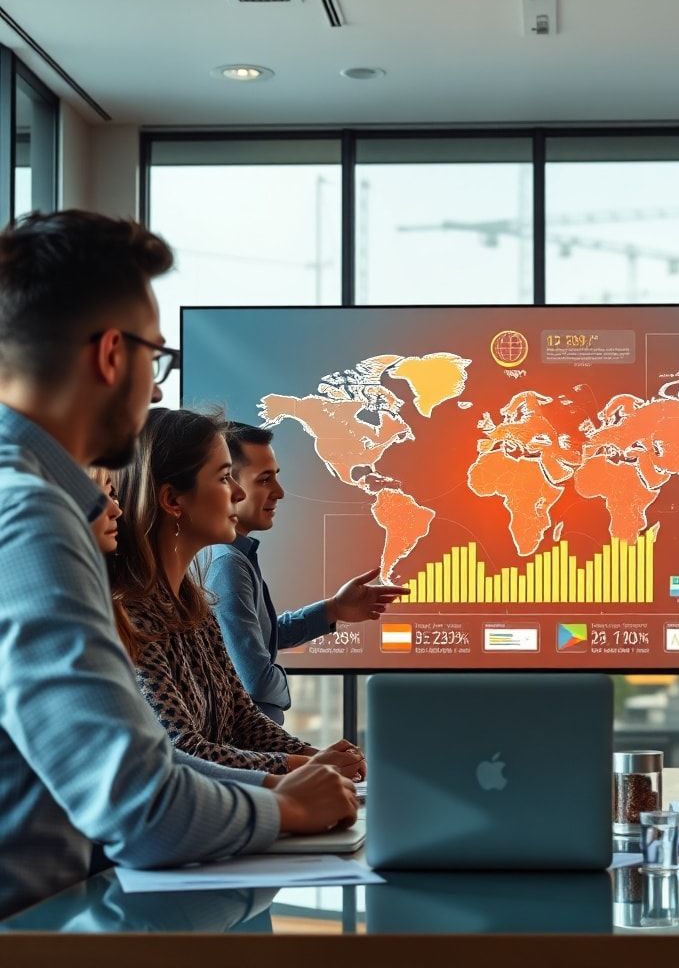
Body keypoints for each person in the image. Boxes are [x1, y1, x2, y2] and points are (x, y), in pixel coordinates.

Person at [0, 211, 357, 918]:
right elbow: (143, 807)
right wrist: (281, 808)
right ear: (110, 355)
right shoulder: (31, 518)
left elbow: (150, 766)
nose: (158, 390)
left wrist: (280, 790)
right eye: (155, 360)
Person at [111, 407, 366, 777]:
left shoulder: (194, 606)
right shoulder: (132, 616)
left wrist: (319, 757)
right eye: (225, 477)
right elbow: (183, 750)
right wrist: (304, 766)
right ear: (172, 501)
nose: (238, 492)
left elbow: (243, 716)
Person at [206, 422, 407, 725]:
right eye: (264, 480)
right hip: (253, 753)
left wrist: (334, 609)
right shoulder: (227, 564)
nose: (279, 492)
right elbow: (255, 681)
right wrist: (288, 691)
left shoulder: (237, 556)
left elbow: (263, 639)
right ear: (229, 485)